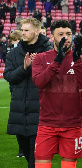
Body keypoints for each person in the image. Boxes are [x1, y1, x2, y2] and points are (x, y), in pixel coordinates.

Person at [32, 19, 82, 168]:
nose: (65, 37)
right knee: (41, 165)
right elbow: (39, 82)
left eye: (68, 34)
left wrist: (77, 61)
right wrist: (57, 61)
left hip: (72, 124)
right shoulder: (41, 58)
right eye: (60, 34)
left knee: (69, 165)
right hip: (47, 124)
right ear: (51, 37)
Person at [3, 17, 53, 168]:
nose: (22, 33)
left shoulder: (50, 51)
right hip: (19, 111)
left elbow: (55, 78)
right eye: (22, 30)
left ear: (37, 31)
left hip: (41, 110)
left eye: (26, 30)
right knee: (27, 151)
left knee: (35, 157)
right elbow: (9, 76)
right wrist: (25, 68)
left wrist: (38, 66)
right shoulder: (14, 53)